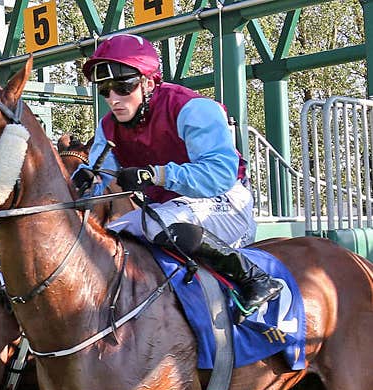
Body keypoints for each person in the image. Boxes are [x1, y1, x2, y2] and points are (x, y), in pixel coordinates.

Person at [72, 34, 282, 313]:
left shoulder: (193, 109)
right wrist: (84, 181)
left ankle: (255, 277)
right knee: (106, 235)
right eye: (105, 90)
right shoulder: (108, 126)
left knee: (152, 225)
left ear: (148, 82)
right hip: (170, 210)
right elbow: (99, 172)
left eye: (123, 87)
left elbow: (220, 174)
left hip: (225, 204)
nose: (113, 99)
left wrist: (154, 175)